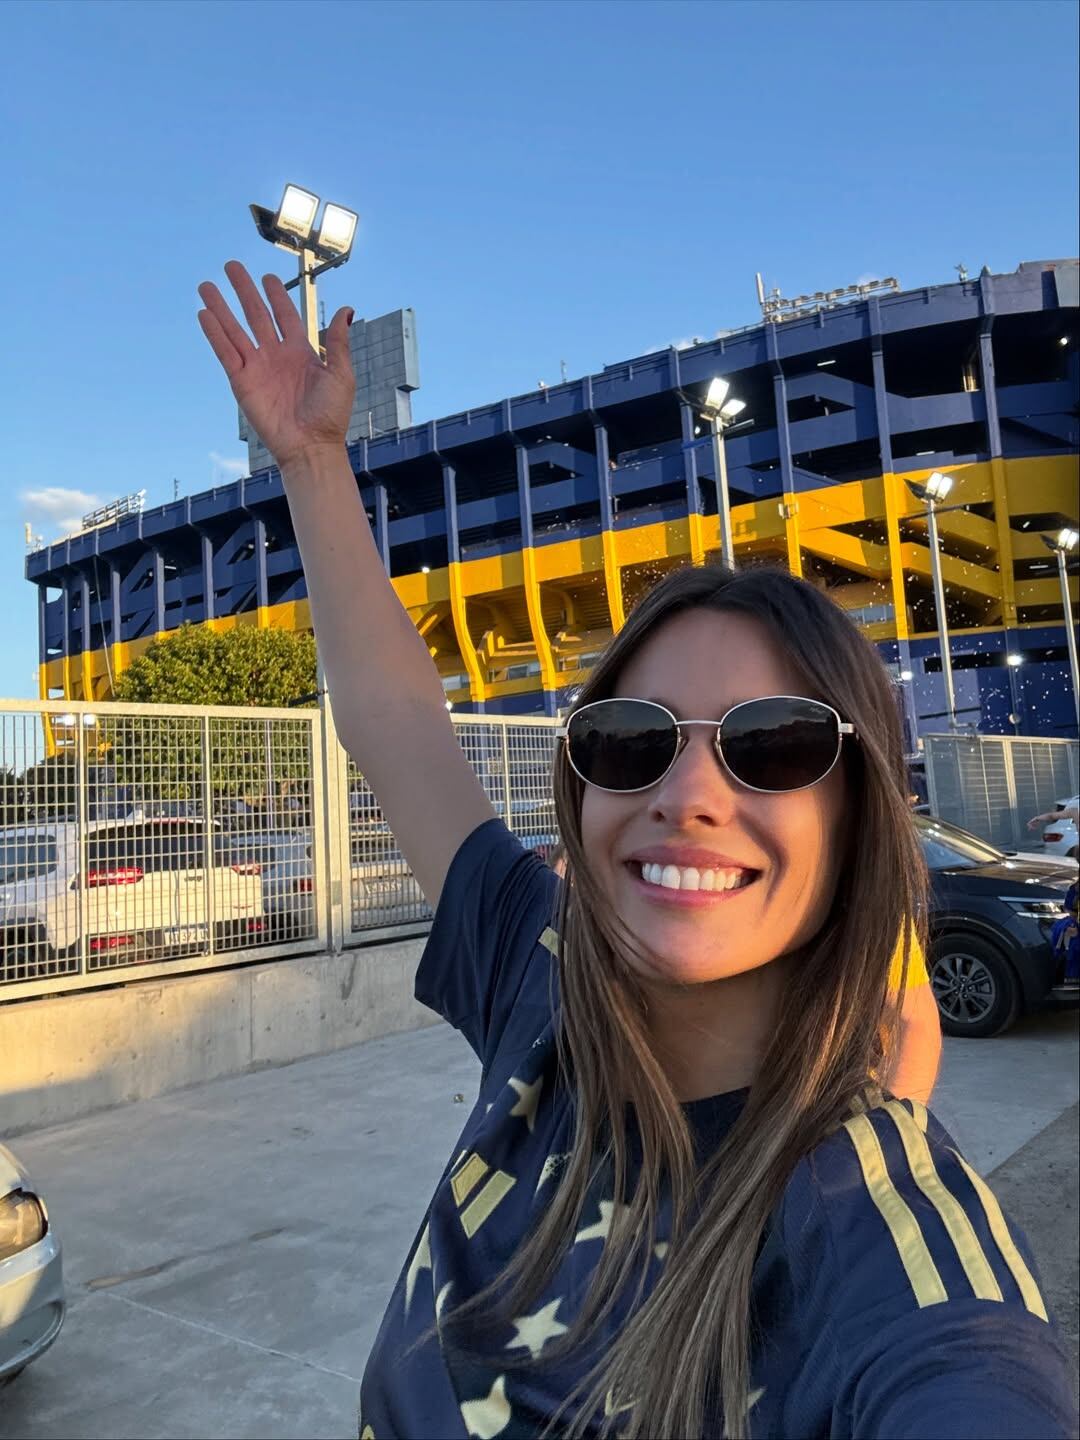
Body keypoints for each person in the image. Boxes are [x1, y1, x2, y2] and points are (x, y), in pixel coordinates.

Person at [197, 263, 1076, 1440]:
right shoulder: (541, 981)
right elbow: (398, 723)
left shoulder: (889, 1247)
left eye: (771, 745)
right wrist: (311, 462)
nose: (689, 794)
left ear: (861, 812)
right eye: (633, 741)